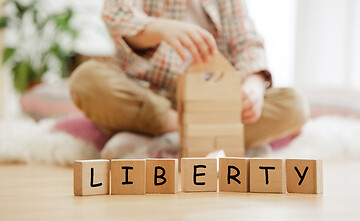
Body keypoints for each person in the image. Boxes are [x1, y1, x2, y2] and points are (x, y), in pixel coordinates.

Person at [69, 0, 309, 156]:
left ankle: (164, 143)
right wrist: (158, 28)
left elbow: (248, 42)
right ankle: (202, 138)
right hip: (148, 99)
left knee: (293, 104)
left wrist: (253, 86)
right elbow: (116, 12)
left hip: (212, 104)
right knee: (86, 80)